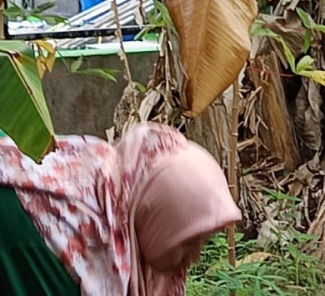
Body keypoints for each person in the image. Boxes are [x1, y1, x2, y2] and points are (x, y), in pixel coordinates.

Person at [0, 122, 241, 295]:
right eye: (189, 243)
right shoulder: (73, 242)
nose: (196, 257)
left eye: (203, 240)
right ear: (152, 221)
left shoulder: (124, 180)